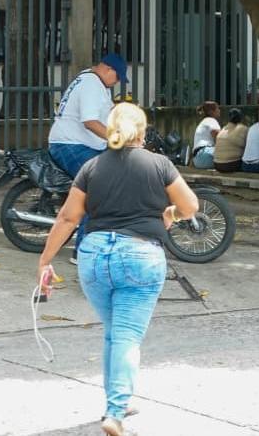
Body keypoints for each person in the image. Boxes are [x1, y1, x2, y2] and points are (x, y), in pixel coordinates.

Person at [36, 103, 199, 436]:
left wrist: (45, 260)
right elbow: (190, 206)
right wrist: (171, 215)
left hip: (94, 256)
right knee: (125, 335)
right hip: (139, 256)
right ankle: (115, 413)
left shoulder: (91, 167)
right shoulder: (160, 165)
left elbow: (68, 218)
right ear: (142, 131)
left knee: (114, 332)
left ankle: (118, 402)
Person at [48, 53, 128, 260]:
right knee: (98, 188)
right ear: (108, 69)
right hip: (70, 145)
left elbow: (109, 114)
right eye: (118, 77)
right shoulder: (91, 84)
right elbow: (90, 121)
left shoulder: (95, 82)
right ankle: (82, 252)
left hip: (84, 144)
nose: (118, 82)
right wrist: (116, 138)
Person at [212, 109, 248, 173]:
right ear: (241, 118)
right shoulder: (243, 128)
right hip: (230, 165)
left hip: (217, 164)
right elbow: (247, 145)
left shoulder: (223, 129)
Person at [190, 101, 222, 168]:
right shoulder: (211, 120)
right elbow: (217, 135)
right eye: (217, 109)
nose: (219, 110)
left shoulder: (203, 122)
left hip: (198, 159)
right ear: (211, 112)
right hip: (205, 155)